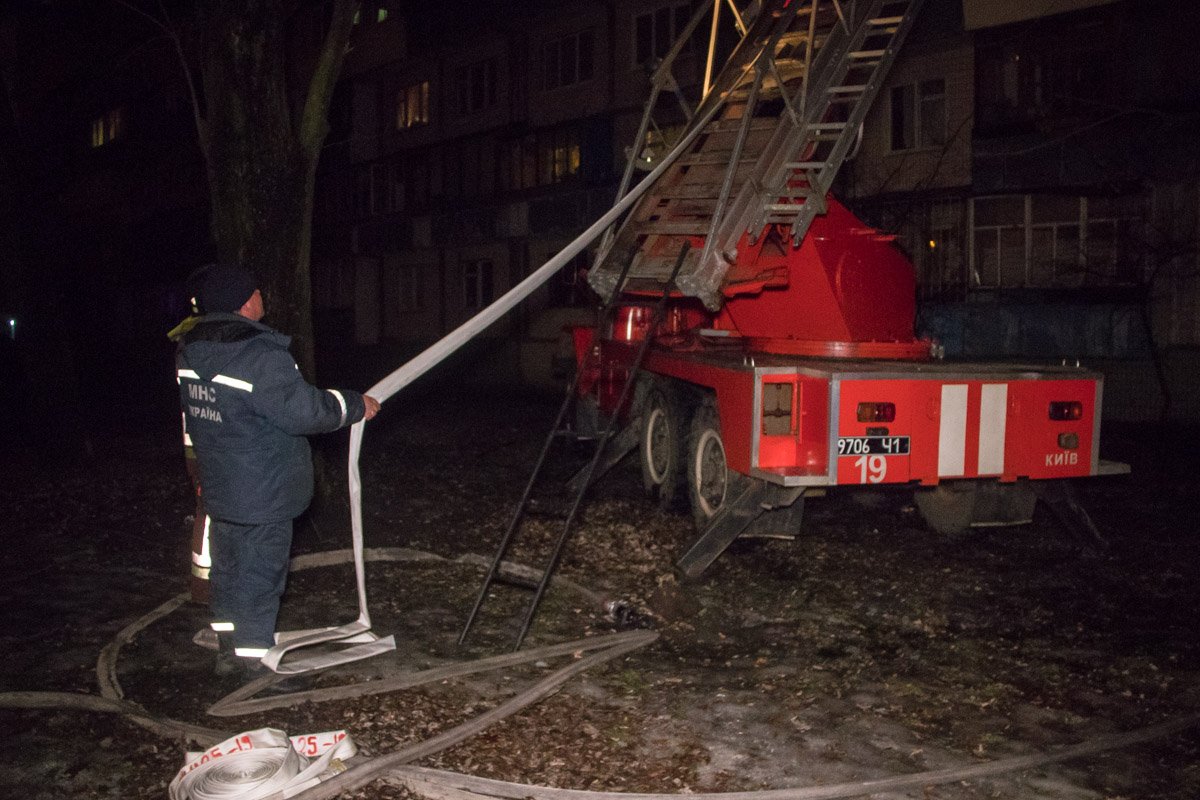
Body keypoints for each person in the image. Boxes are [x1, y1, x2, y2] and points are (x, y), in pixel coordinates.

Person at [176, 264, 381, 674]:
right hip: (262, 488)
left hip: (222, 484)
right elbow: (302, 412)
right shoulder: (257, 355)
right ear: (245, 301)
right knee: (260, 577)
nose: (261, 296)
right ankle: (254, 665)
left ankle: (228, 649)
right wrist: (355, 405)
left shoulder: (191, 349)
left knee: (230, 569)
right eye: (256, 290)